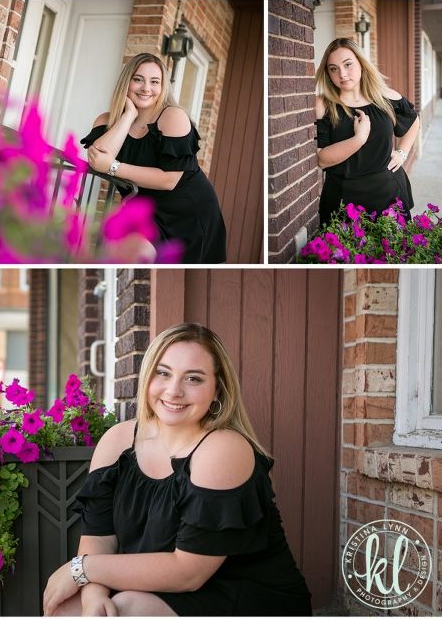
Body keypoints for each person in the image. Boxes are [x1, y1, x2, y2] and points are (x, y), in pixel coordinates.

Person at [43, 323, 312, 616]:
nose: (174, 391)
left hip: (244, 595)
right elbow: (98, 538)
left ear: (217, 389)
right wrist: (92, 594)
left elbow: (188, 572)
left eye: (193, 378)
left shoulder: (223, 449)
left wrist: (79, 569)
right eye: (163, 373)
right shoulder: (118, 440)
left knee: (124, 610)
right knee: (68, 607)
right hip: (159, 589)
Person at [80, 53, 226, 264]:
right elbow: (98, 158)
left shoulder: (173, 117)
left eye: (154, 82)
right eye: (138, 79)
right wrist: (128, 115)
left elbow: (169, 180)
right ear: (127, 82)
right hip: (145, 210)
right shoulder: (107, 120)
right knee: (117, 254)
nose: (146, 88)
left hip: (187, 213)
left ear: (163, 87)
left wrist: (112, 166)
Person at [315, 38, 420, 226]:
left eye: (348, 65)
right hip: (343, 199)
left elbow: (413, 120)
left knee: (393, 254)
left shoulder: (385, 97)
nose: (342, 74)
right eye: (333, 68)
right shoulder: (324, 104)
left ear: (362, 64)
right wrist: (359, 138)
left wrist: (402, 152)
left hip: (389, 194)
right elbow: (322, 159)